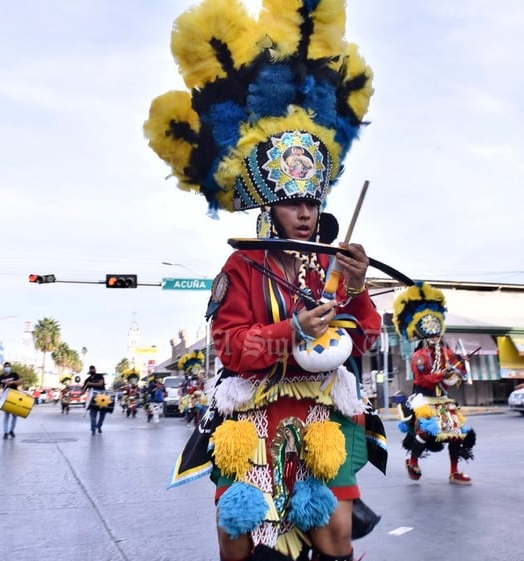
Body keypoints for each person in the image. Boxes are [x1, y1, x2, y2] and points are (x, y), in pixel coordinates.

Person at [150, 3, 382, 558]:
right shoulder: (240, 268)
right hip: (251, 416)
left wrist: (355, 287)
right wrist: (291, 332)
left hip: (320, 414)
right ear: (268, 208)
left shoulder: (330, 265)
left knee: (335, 536)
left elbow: (365, 339)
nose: (304, 213)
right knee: (237, 539)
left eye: (311, 201)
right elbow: (230, 345)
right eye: (291, 202)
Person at [394, 282, 477, 485]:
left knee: (458, 434)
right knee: (427, 430)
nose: (434, 337)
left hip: (443, 398)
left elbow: (457, 371)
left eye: (436, 333)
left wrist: (461, 368)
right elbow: (421, 379)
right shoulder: (419, 356)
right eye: (430, 334)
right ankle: (413, 461)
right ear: (423, 334)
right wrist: (442, 374)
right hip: (423, 397)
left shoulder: (447, 352)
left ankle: (454, 471)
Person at [0, 361, 22, 439]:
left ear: (10, 367)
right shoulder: (1, 377)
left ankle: (11, 430)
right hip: (6, 397)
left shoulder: (14, 375)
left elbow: (20, 382)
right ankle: (5, 432)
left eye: (8, 366)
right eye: (6, 366)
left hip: (14, 396)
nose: (7, 368)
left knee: (14, 415)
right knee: (6, 415)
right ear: (4, 368)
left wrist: (12, 382)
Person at [82, 366, 108, 434]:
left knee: (102, 414)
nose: (92, 370)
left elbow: (101, 384)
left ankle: (99, 426)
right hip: (92, 398)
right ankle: (93, 429)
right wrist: (81, 391)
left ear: (95, 370)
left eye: (93, 369)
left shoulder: (99, 376)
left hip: (102, 397)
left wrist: (91, 384)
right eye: (91, 369)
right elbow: (83, 390)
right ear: (89, 371)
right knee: (92, 414)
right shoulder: (87, 380)